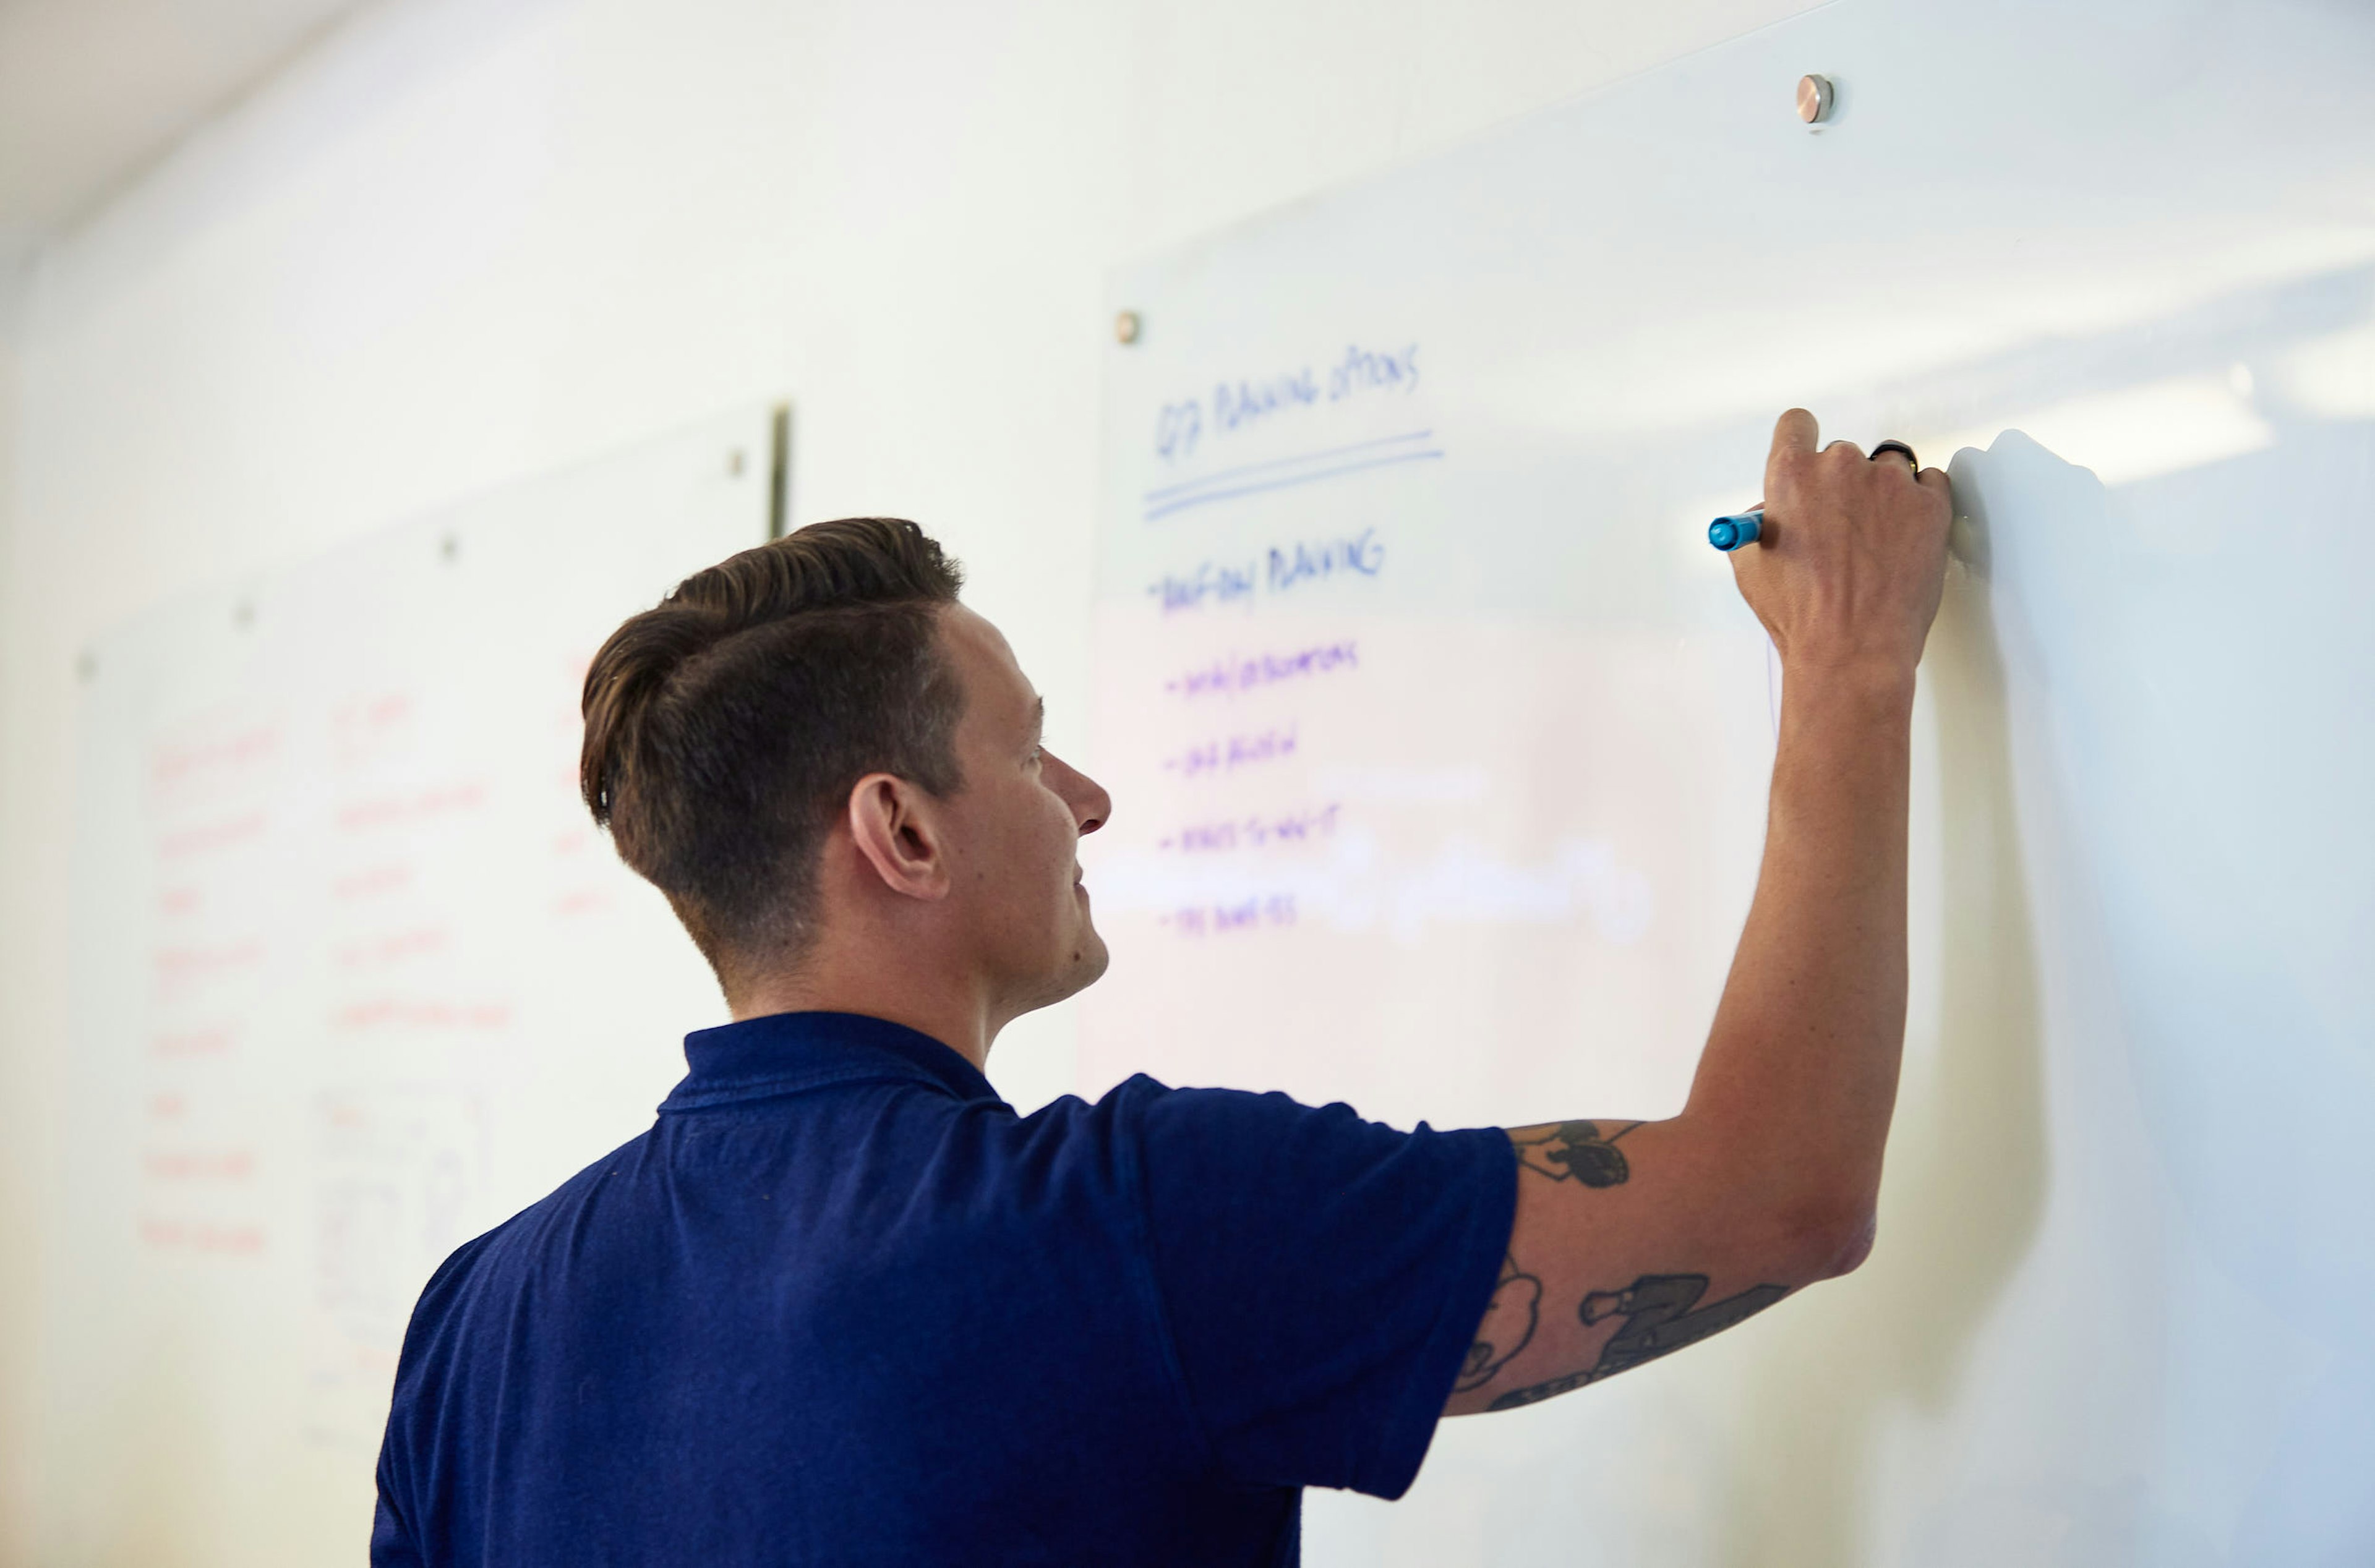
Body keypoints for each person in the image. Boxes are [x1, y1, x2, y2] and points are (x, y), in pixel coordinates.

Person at [370, 409, 1952, 1565]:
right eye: (1027, 747)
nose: (1089, 797)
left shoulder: (476, 1322)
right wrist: (1852, 668)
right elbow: (1778, 1190)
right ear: (901, 830)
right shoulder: (1126, 1224)